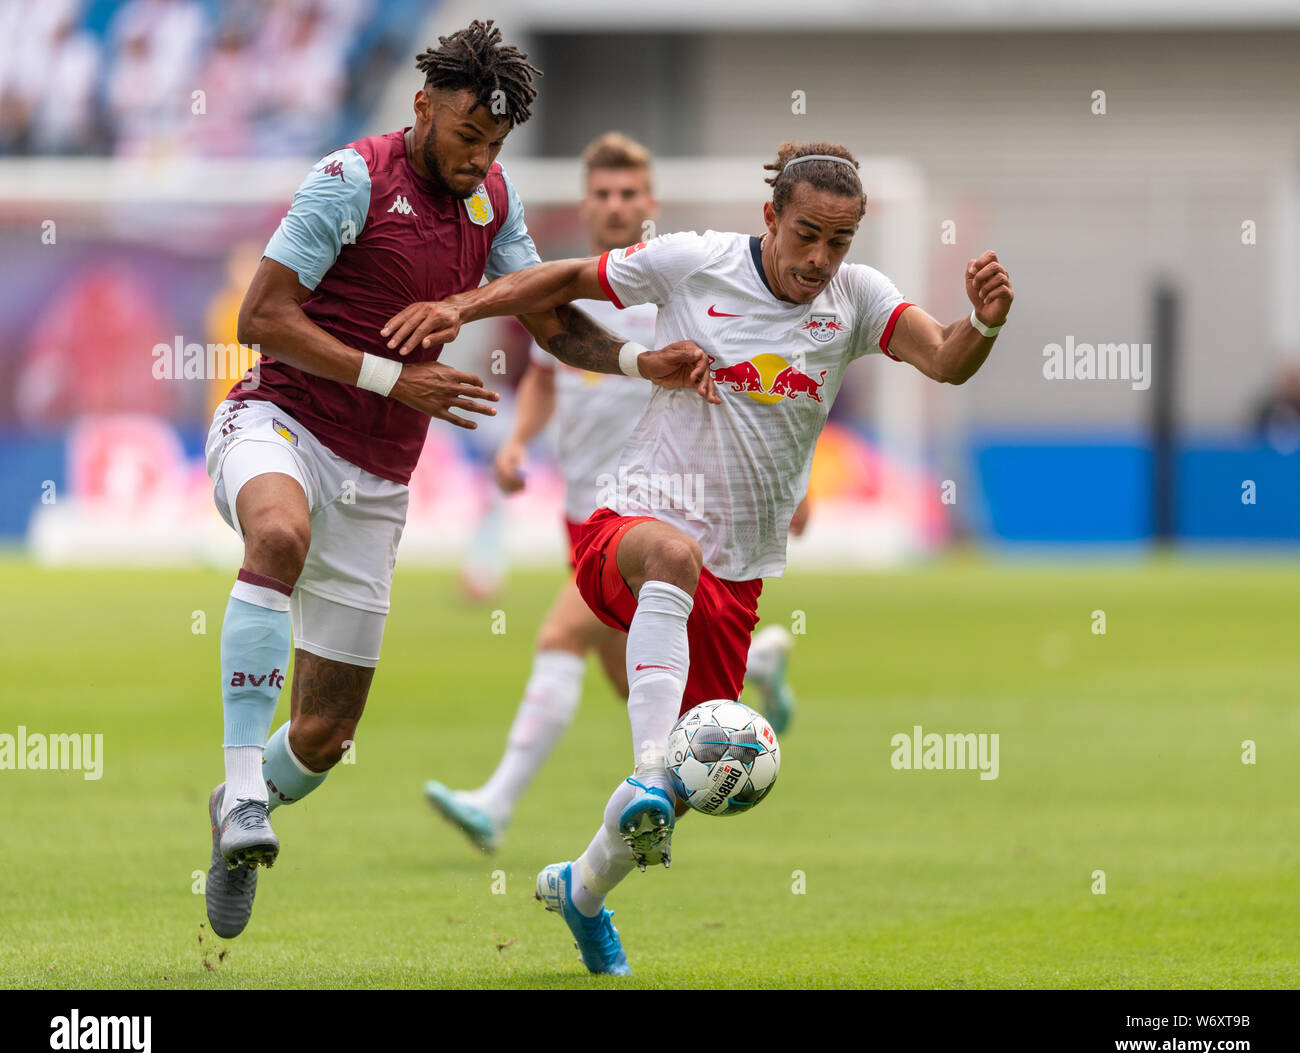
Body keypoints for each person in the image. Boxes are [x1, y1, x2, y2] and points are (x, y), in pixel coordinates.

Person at [383, 139, 1013, 975]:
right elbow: (567, 281)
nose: (819, 260)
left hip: (739, 572)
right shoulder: (693, 263)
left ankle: (581, 889)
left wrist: (989, 321)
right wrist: (461, 307)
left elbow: (944, 359)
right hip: (635, 520)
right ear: (770, 219)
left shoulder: (858, 299)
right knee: (667, 574)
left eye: (838, 243)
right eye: (805, 237)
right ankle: (631, 773)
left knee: (693, 783)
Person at [202, 20, 710, 941]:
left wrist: (642, 362)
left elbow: (550, 325)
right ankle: (242, 790)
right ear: (422, 106)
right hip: (277, 421)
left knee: (322, 741)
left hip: (378, 476)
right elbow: (264, 316)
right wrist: (400, 380)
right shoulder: (349, 180)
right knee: (277, 536)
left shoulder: (493, 204)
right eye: (468, 136)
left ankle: (240, 809)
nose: (482, 158)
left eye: (497, 144)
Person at [424, 132, 800, 854]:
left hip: (654, 516)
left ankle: (498, 802)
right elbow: (544, 374)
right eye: (603, 193)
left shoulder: (675, 286)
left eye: (630, 193)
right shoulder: (566, 289)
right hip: (582, 512)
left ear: (650, 203)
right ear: (586, 200)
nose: (616, 204)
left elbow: (763, 393)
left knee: (563, 634)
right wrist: (515, 441)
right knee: (636, 681)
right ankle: (753, 671)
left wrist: (791, 481)